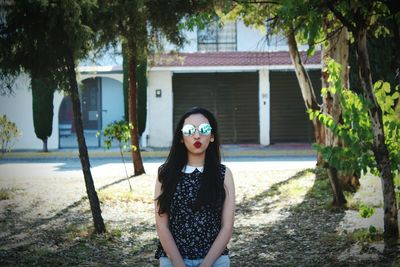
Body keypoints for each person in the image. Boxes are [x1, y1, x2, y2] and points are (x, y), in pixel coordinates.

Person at [154, 106, 235, 267]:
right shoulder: (165, 174)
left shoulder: (224, 174)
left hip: (215, 258)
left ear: (212, 136)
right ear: (181, 138)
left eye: (204, 129)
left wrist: (206, 264)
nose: (197, 135)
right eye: (190, 130)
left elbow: (227, 227)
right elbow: (162, 226)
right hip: (173, 259)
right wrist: (178, 264)